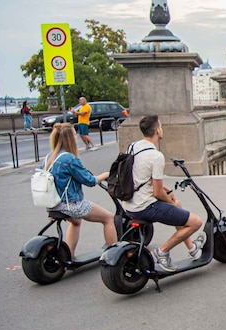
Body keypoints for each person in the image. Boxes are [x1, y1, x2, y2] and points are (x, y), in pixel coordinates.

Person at [122, 115, 205, 272]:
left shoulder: (133, 147)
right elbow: (157, 192)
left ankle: (193, 248)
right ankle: (162, 252)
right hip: (145, 206)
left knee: (177, 205)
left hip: (129, 204)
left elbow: (143, 178)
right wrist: (169, 199)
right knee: (196, 222)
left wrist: (169, 194)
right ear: (158, 130)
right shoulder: (156, 156)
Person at [44, 122, 116, 255]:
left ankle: (70, 254)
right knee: (109, 218)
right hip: (71, 204)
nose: (76, 137)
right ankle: (114, 256)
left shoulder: (50, 156)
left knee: (76, 222)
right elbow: (90, 181)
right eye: (74, 135)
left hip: (54, 204)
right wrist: (106, 175)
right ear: (70, 138)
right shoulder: (69, 158)